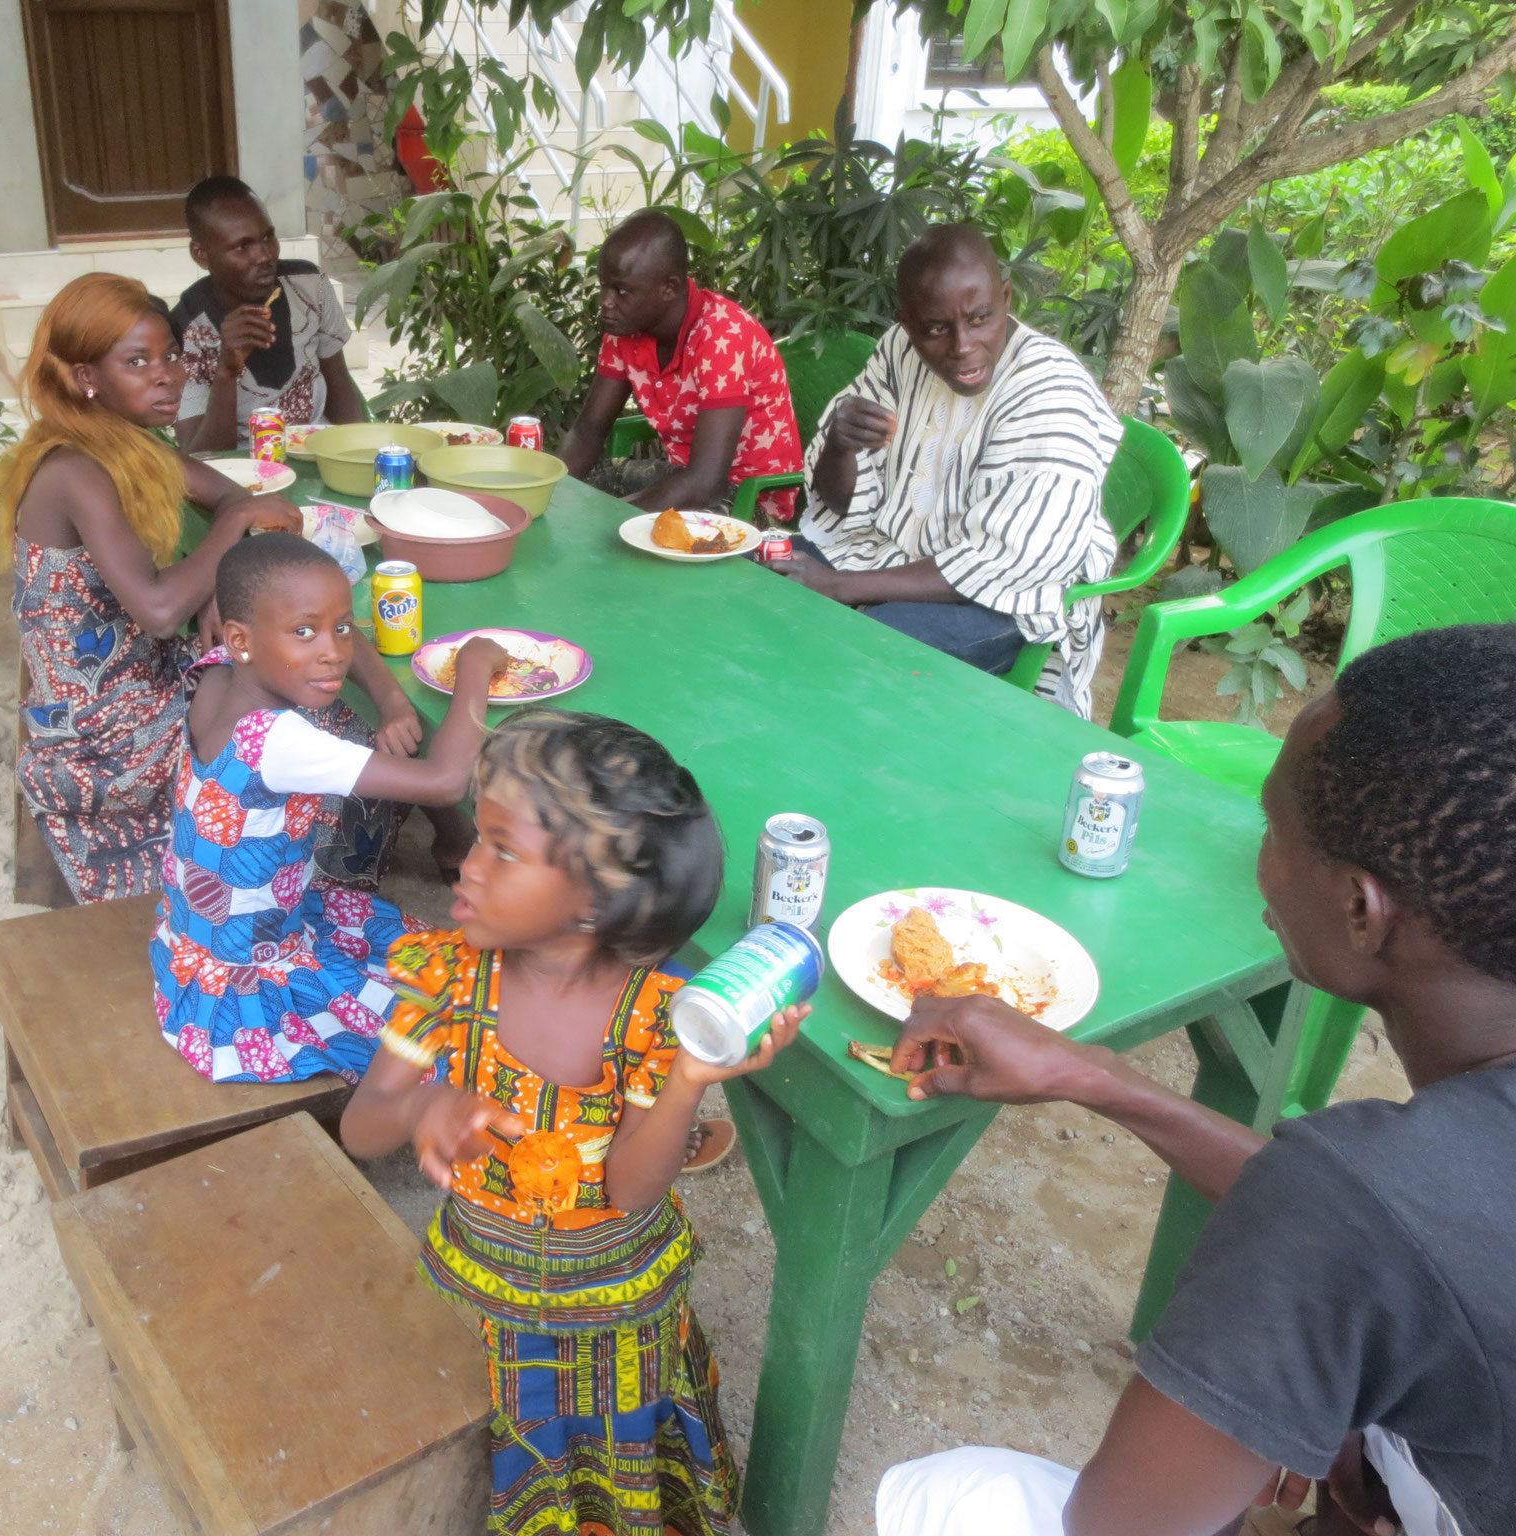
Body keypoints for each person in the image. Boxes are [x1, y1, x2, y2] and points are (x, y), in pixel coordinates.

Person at [874, 623, 1516, 1536]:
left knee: (959, 1497)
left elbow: (1116, 1527)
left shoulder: (1352, 1209)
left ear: (1360, 909)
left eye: (1276, 829)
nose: (1262, 856)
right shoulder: (1371, 1208)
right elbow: (1394, 1239)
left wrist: (1344, 1392)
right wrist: (1095, 1077)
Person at [341, 710, 810, 1535]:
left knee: (608, 1453)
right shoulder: (446, 977)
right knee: (501, 1436)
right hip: (484, 1289)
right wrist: (422, 1103)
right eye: (477, 835)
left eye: (504, 849)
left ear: (594, 905)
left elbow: (630, 1190)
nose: (468, 865)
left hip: (616, 1310)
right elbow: (361, 1127)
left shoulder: (655, 1016)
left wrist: (689, 1082)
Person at [0, 272, 423, 903]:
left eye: (169, 355)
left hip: (146, 678)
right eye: (137, 362)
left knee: (287, 635)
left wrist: (222, 571)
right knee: (309, 696)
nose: (167, 375)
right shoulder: (74, 469)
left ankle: (319, 853)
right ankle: (311, 879)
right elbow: (163, 609)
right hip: (106, 729)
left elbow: (235, 493)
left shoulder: (121, 444)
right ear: (87, 377)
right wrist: (235, 530)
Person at [153, 533, 510, 1083]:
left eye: (341, 627)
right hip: (250, 984)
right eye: (304, 632)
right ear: (242, 637)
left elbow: (325, 629)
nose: (334, 652)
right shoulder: (279, 741)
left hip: (197, 943)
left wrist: (390, 697)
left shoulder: (221, 670)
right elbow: (444, 782)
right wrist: (474, 666)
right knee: (448, 1029)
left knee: (425, 956)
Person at [775, 224, 1122, 717]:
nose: (963, 346)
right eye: (936, 328)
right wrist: (838, 444)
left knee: (853, 648)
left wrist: (840, 588)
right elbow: (837, 502)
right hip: (880, 554)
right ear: (907, 321)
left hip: (1002, 598)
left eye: (981, 318)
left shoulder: (1050, 391)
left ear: (1006, 297)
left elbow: (1001, 564)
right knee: (756, 583)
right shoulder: (898, 350)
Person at [556, 209, 804, 521]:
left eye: (621, 290)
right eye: (604, 286)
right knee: (577, 498)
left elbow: (706, 483)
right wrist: (549, 498)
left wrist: (615, 523)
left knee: (612, 534)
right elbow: (588, 432)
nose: (605, 301)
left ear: (669, 288)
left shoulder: (721, 336)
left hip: (746, 497)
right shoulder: (624, 330)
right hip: (680, 477)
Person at [172, 176, 366, 454]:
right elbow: (202, 456)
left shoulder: (309, 286)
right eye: (243, 246)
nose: (264, 256)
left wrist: (356, 450)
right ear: (201, 255)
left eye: (268, 237)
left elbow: (338, 380)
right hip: (240, 474)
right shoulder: (189, 327)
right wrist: (226, 369)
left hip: (318, 455)